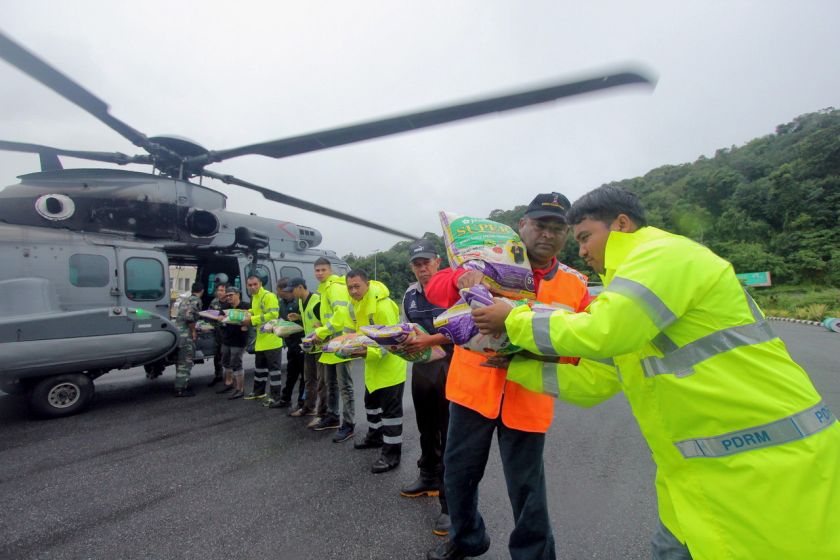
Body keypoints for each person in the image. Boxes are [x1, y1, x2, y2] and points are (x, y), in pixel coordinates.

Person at [473, 186, 840, 560]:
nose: (581, 251)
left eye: (585, 237)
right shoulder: (632, 288)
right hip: (698, 478)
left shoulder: (665, 255)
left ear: (622, 224)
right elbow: (598, 381)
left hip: (770, 470)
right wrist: (517, 367)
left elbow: (606, 331)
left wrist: (514, 318)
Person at [425, 193, 589, 560]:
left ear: (566, 234)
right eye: (540, 225)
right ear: (522, 226)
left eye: (557, 228)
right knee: (458, 476)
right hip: (472, 392)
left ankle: (534, 556)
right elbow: (434, 289)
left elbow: (587, 341)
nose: (547, 235)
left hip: (528, 395)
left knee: (527, 489)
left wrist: (536, 350)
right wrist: (461, 277)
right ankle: (467, 538)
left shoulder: (576, 283)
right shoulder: (487, 260)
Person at [400, 239, 453, 536]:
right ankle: (428, 476)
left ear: (438, 263)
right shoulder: (409, 294)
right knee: (425, 426)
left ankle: (450, 504)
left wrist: (430, 341)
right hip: (422, 366)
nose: (422, 268)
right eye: (417, 264)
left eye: (427, 262)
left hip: (452, 362)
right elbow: (405, 327)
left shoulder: (453, 290)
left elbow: (465, 327)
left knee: (449, 433)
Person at [345, 269, 407, 473]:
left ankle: (391, 454)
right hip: (373, 368)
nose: (353, 291)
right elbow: (359, 334)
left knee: (391, 414)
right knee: (370, 405)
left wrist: (363, 352)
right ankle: (375, 436)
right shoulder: (358, 305)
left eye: (357, 286)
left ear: (367, 284)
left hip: (390, 368)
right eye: (350, 287)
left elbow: (391, 340)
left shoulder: (382, 306)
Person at [311, 258, 356, 440]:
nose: (319, 273)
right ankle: (332, 416)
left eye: (323, 270)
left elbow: (340, 315)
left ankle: (349, 424)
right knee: (332, 384)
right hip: (330, 344)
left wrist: (321, 331)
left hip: (341, 343)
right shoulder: (324, 290)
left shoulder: (335, 287)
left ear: (330, 270)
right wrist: (321, 326)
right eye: (317, 270)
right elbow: (330, 316)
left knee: (345, 386)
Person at [287, 277, 328, 419]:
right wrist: (298, 317)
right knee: (308, 379)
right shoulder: (300, 301)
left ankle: (323, 413)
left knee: (322, 381)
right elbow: (309, 319)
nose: (290, 293)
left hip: (320, 347)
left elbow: (328, 322)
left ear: (300, 287)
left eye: (292, 290)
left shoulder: (317, 301)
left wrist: (321, 326)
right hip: (308, 346)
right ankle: (308, 407)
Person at [241, 275, 283, 401]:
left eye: (255, 284)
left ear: (260, 284)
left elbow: (273, 314)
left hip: (272, 340)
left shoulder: (268, 296)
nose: (252, 287)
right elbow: (257, 311)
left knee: (274, 371)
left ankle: (275, 397)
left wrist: (252, 319)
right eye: (250, 285)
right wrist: (248, 313)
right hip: (261, 340)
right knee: (260, 369)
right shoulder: (255, 297)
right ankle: (258, 392)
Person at [275, 277, 305, 410]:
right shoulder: (282, 303)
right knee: (291, 373)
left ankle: (302, 403)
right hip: (290, 344)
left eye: (278, 289)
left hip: (301, 343)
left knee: (305, 376)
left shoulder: (299, 302)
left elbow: (305, 322)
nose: (277, 292)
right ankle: (285, 399)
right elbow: (281, 320)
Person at [216, 285, 249, 399]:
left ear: (238, 295)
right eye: (227, 295)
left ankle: (240, 389)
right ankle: (229, 383)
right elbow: (220, 316)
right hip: (226, 339)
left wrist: (245, 323)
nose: (228, 297)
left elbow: (250, 320)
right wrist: (220, 317)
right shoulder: (225, 306)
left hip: (238, 340)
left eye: (231, 295)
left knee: (236, 363)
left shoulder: (245, 306)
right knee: (225, 362)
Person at [174, 281, 205, 397]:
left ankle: (182, 383)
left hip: (178, 334)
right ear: (202, 291)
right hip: (186, 335)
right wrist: (193, 331)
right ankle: (180, 389)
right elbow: (189, 317)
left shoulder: (185, 300)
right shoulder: (196, 300)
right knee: (186, 361)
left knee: (180, 361)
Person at [206, 282, 229, 387]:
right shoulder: (214, 302)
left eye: (222, 290)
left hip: (228, 333)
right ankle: (218, 375)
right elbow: (209, 315)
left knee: (229, 356)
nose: (219, 293)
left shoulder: (230, 302)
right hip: (217, 333)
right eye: (218, 290)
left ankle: (230, 379)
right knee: (217, 355)